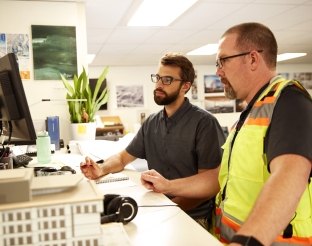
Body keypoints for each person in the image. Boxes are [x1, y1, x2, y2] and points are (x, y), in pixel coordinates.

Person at [141, 22, 312, 246]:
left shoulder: (290, 101)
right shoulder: (248, 116)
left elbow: (288, 179)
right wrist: (168, 185)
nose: (218, 71)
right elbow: (219, 178)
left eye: (223, 61)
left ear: (252, 58)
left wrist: (244, 242)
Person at [80, 52, 226, 230]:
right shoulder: (151, 123)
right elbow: (122, 158)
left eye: (167, 80)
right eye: (157, 78)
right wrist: (100, 169)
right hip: (160, 209)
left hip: (193, 218)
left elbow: (208, 186)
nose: (158, 85)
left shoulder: (204, 123)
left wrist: (168, 209)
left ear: (185, 86)